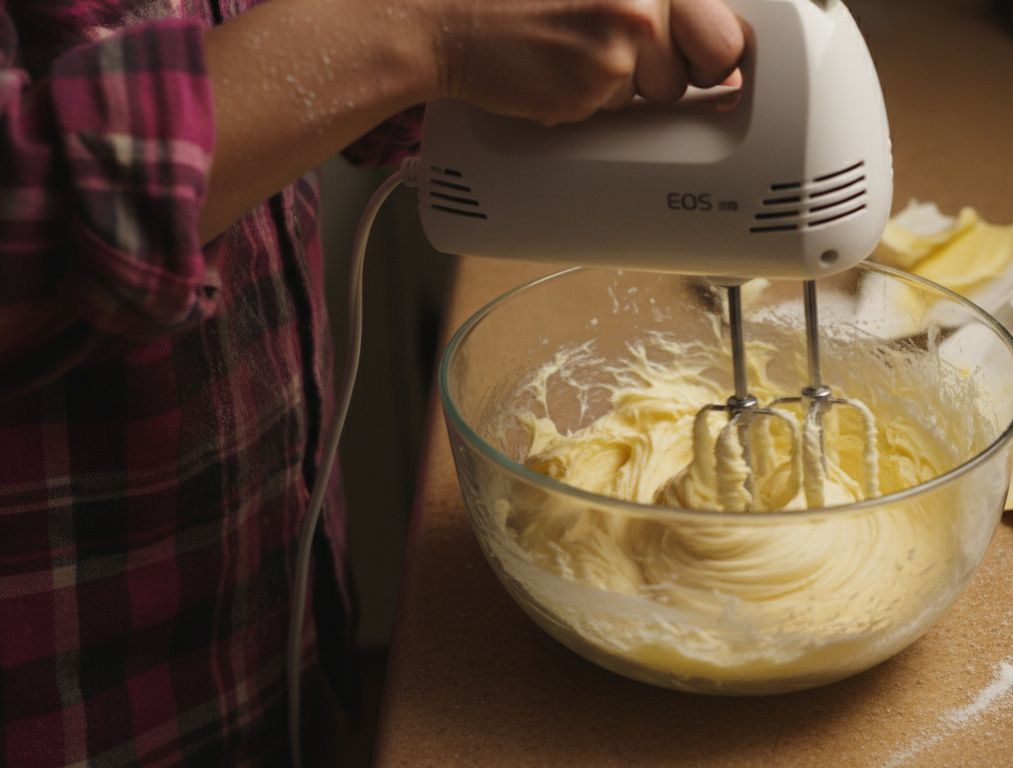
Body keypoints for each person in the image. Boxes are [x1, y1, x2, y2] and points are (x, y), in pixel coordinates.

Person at [0, 0, 745, 764]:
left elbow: (300, 63)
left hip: (274, 632)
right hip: (80, 705)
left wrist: (515, 46)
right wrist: (422, 30)